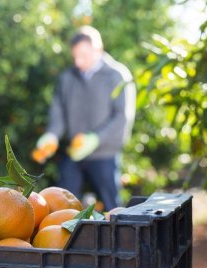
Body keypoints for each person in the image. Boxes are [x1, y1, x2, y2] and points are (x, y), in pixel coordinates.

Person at [32, 26, 136, 211]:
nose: (78, 62)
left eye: (84, 56)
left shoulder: (117, 75)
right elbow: (59, 111)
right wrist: (52, 135)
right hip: (73, 152)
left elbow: (122, 116)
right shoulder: (67, 78)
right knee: (62, 208)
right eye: (75, 57)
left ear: (98, 49)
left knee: (112, 207)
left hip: (104, 154)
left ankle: (115, 240)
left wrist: (96, 138)